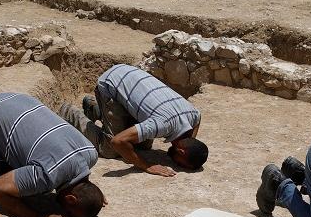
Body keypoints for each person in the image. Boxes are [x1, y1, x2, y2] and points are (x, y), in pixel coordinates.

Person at [59, 64, 208, 177]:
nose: (176, 164)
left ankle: (97, 110)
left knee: (142, 145)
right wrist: (146, 166)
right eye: (180, 163)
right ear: (181, 151)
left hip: (129, 75)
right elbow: (117, 141)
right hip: (110, 84)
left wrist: (190, 142)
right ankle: (70, 112)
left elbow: (198, 118)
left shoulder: (193, 115)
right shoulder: (162, 124)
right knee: (110, 150)